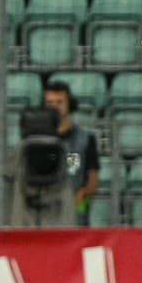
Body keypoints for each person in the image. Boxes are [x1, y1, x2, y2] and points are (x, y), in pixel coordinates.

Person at [42, 81, 99, 226]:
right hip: (43, 212)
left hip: (74, 215)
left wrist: (83, 193)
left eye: (59, 102)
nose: (54, 107)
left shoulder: (86, 139)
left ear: (69, 104)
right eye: (50, 102)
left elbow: (92, 180)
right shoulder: (37, 141)